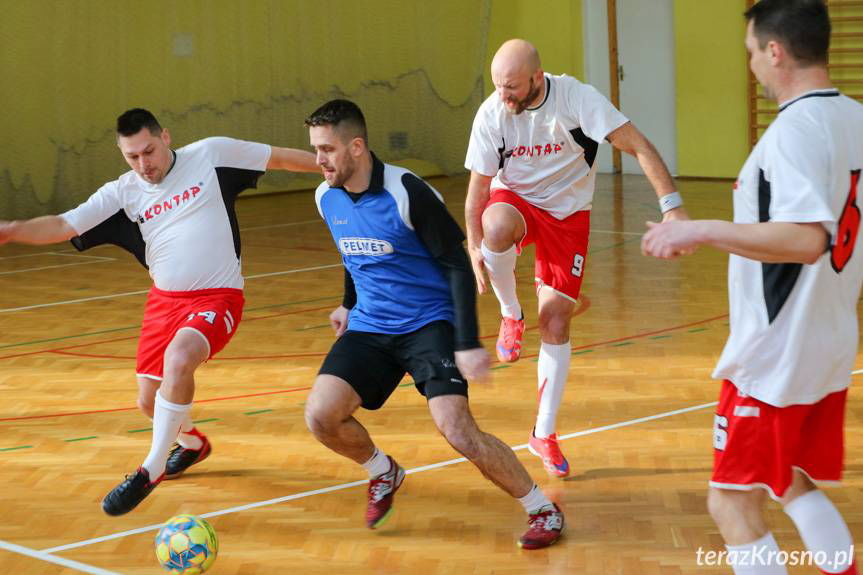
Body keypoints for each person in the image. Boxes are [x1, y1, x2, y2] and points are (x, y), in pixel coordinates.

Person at [0, 108, 319, 516]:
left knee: (179, 358)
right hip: (164, 303)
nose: (143, 164)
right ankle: (192, 444)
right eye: (132, 156)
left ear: (165, 137)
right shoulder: (123, 191)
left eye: (148, 151)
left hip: (217, 297)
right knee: (150, 402)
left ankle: (151, 468)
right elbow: (63, 224)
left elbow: (279, 157)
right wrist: (12, 229)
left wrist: (333, 168)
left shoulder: (210, 154)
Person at [642, 2, 860, 573]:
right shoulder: (855, 120)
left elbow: (807, 238)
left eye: (751, 54)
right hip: (829, 337)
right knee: (786, 476)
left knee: (731, 499)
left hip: (777, 351)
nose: (752, 67)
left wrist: (703, 229)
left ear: (776, 51)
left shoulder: (794, 131)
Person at [304, 99, 565, 549]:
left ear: (357, 147)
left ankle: (542, 508)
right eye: (315, 149)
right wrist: (348, 304)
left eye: (327, 149)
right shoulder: (326, 198)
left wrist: (465, 342)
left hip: (429, 323)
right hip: (370, 325)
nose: (319, 160)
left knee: (457, 430)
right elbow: (353, 253)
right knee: (320, 416)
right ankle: (382, 470)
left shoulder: (407, 191)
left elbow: (458, 265)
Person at [464, 39, 686, 478]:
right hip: (517, 200)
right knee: (495, 229)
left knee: (556, 323)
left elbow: (638, 145)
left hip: (568, 216)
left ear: (536, 77)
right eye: (497, 86)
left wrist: (672, 206)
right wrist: (473, 244)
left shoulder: (576, 99)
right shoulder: (492, 113)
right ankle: (511, 314)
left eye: (510, 86)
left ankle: (542, 432)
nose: (502, 95)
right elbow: (478, 190)